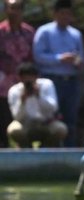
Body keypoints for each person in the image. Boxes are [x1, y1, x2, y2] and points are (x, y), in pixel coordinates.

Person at [33, 0, 84, 147]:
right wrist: (59, 58)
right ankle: (48, 151)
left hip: (71, 81)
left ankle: (70, 152)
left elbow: (82, 58)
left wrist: (77, 61)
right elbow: (38, 56)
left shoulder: (75, 34)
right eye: (62, 13)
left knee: (71, 119)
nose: (65, 16)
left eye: (68, 13)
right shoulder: (44, 32)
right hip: (51, 81)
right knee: (50, 118)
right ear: (55, 14)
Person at [6, 63, 67, 147]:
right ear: (20, 78)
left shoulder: (47, 85)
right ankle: (26, 151)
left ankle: (46, 149)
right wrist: (22, 101)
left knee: (61, 129)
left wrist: (39, 96)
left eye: (31, 78)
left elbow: (53, 108)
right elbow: (16, 117)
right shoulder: (14, 91)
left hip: (46, 123)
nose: (28, 82)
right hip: (25, 125)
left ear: (36, 76)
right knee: (14, 130)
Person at [0, 0, 34, 148]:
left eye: (17, 9)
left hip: (24, 85)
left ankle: (26, 154)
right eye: (11, 8)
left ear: (22, 11)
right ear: (6, 10)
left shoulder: (29, 32)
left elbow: (33, 58)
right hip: (2, 87)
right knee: (3, 122)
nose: (14, 12)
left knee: (25, 121)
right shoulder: (0, 31)